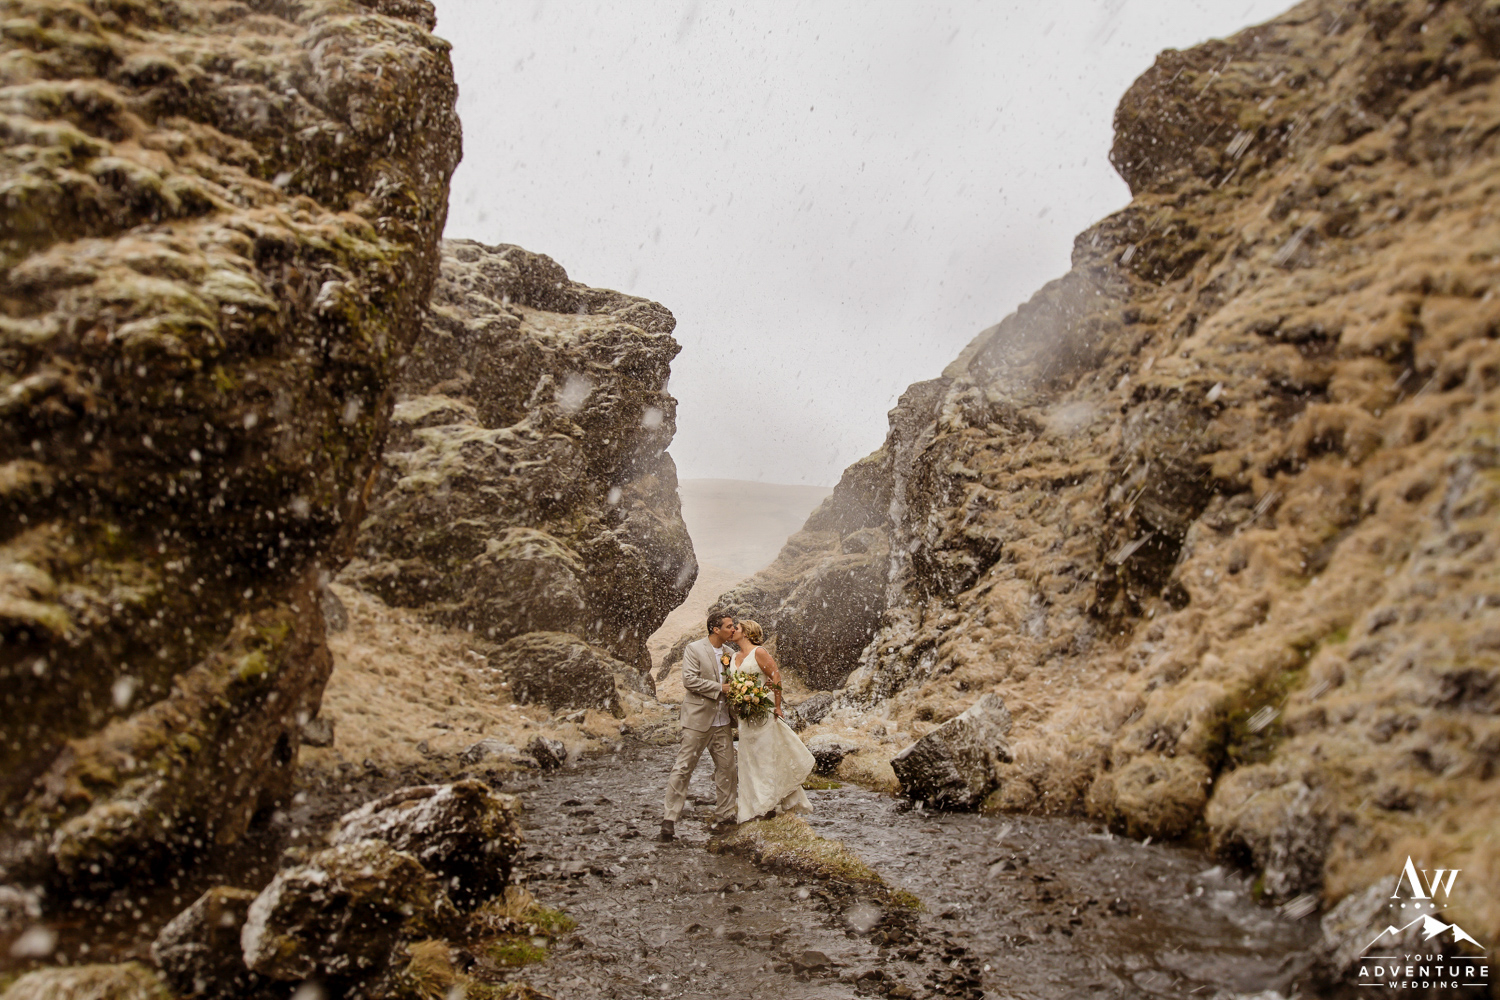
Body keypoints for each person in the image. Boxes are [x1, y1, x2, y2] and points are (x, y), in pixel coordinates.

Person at [660, 610, 739, 841]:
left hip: (723, 721)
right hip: (697, 721)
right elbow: (689, 680)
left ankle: (725, 815)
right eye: (729, 626)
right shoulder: (694, 649)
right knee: (684, 768)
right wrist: (719, 688)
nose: (733, 630)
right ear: (716, 629)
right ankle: (669, 819)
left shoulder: (730, 653)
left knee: (728, 769)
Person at [727, 619, 814, 823]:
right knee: (749, 758)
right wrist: (738, 697)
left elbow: (775, 676)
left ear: (747, 632)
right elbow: (733, 683)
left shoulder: (759, 652)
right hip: (744, 714)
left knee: (766, 756)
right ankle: (752, 807)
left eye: (736, 628)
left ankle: (767, 806)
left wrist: (777, 706)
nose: (733, 631)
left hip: (763, 710)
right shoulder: (733, 656)